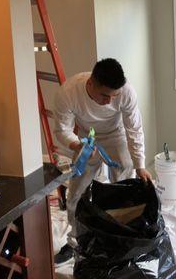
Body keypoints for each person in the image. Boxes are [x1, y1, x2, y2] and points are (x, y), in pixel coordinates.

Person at [52, 58, 152, 264]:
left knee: (123, 187)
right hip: (86, 140)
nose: (109, 101)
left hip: (117, 135)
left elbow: (134, 129)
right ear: (91, 84)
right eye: (105, 96)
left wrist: (140, 165)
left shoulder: (126, 92)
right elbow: (62, 131)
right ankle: (74, 242)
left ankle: (118, 237)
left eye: (113, 96)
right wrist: (78, 146)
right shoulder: (68, 92)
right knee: (76, 191)